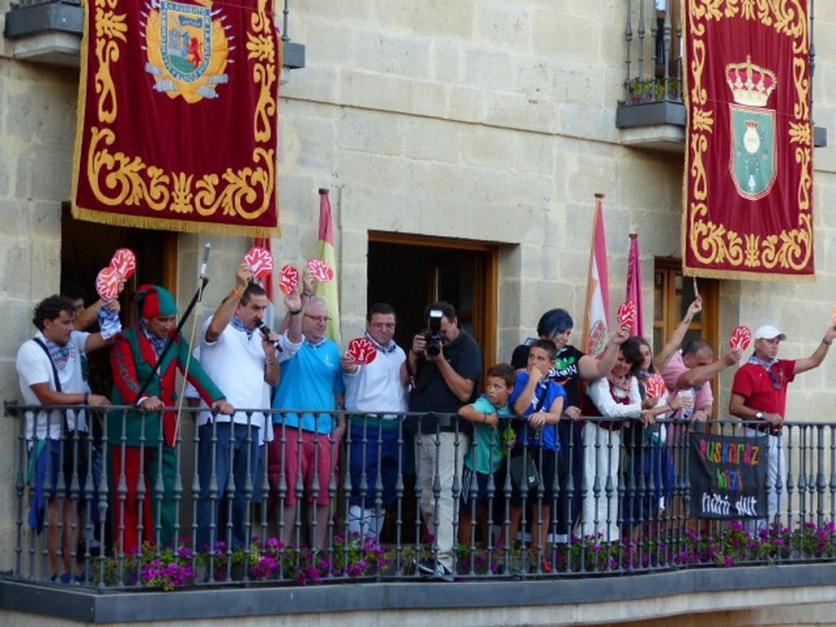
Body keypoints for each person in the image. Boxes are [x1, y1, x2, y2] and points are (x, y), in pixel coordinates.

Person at [109, 284, 233, 555]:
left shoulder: (175, 340)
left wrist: (216, 398)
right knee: (129, 492)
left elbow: (193, 369)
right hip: (132, 428)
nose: (169, 325)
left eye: (171, 319)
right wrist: (141, 398)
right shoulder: (125, 340)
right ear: (146, 319)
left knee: (165, 492)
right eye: (162, 320)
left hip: (165, 428)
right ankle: (129, 553)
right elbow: (124, 375)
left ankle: (161, 552)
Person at [195, 264, 302, 550]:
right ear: (239, 306)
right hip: (219, 422)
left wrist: (270, 355)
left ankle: (236, 553)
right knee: (213, 491)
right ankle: (206, 553)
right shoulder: (218, 325)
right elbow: (214, 330)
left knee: (243, 493)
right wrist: (239, 287)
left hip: (253, 424)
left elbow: (273, 379)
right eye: (255, 308)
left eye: (264, 308)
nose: (261, 314)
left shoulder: (260, 337)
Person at [16, 295, 119, 582]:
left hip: (75, 434)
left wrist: (111, 311)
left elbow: (108, 338)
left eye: (72, 322)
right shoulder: (31, 351)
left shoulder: (73, 342)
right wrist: (87, 398)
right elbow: (46, 396)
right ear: (47, 323)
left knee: (73, 501)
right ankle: (57, 568)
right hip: (47, 436)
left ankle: (72, 565)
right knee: (55, 503)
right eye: (65, 322)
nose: (71, 327)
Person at [511, 308, 629, 540]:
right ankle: (519, 544)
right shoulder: (527, 351)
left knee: (559, 486)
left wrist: (615, 344)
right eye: (563, 331)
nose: (566, 337)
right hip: (532, 430)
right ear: (550, 328)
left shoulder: (572, 354)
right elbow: (525, 384)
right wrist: (558, 407)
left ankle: (555, 542)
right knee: (525, 490)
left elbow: (599, 369)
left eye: (568, 332)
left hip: (565, 432)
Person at [729, 323, 836, 526]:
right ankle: (752, 535)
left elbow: (814, 361)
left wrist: (827, 339)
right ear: (757, 343)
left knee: (777, 490)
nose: (775, 345)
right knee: (756, 488)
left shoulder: (780, 367)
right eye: (770, 341)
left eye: (777, 342)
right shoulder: (746, 371)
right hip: (754, 435)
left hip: (773, 437)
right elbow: (734, 407)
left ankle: (762, 533)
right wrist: (762, 415)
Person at [409, 301, 482, 581]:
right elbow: (408, 378)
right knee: (426, 496)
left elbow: (464, 392)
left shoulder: (467, 346)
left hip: (450, 431)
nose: (439, 334)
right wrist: (414, 354)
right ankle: (436, 552)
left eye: (442, 328)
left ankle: (445, 561)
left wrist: (439, 360)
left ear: (453, 321)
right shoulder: (426, 341)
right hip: (423, 428)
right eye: (433, 328)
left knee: (445, 495)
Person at [581, 338, 681, 541]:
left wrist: (643, 410)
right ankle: (588, 539)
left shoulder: (631, 381)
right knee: (592, 484)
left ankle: (607, 539)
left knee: (610, 485)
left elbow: (636, 406)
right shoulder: (600, 380)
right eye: (619, 359)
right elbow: (609, 410)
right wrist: (642, 408)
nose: (622, 365)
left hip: (614, 437)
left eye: (627, 362)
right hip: (594, 435)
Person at [270, 296, 345, 549]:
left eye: (325, 319)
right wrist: (296, 309)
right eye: (315, 318)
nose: (322, 323)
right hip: (290, 426)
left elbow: (338, 392)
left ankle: (317, 554)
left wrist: (341, 425)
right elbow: (288, 336)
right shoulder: (291, 344)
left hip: (324, 431)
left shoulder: (333, 350)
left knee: (323, 495)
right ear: (303, 319)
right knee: (288, 492)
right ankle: (281, 554)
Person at [341, 302, 408, 539]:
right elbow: (350, 367)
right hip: (365, 426)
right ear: (369, 324)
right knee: (363, 490)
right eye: (379, 324)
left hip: (395, 428)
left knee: (386, 492)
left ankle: (373, 548)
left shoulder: (400, 353)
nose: (385, 329)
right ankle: (357, 550)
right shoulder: (358, 348)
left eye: (390, 325)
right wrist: (349, 366)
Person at [508, 341, 565, 572]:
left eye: (541, 359)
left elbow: (556, 415)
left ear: (551, 364)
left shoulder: (556, 389)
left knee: (543, 507)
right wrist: (532, 381)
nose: (534, 362)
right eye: (532, 357)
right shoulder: (521, 379)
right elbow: (519, 408)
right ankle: (504, 555)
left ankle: (538, 557)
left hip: (547, 451)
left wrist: (545, 416)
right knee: (515, 506)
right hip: (523, 450)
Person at [457, 362, 515, 550]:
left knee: (486, 510)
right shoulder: (484, 404)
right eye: (489, 385)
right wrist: (487, 418)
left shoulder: (509, 409)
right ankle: (465, 553)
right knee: (468, 510)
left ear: (510, 389)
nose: (491, 390)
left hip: (495, 467)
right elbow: (464, 411)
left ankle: (486, 551)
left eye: (497, 386)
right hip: (475, 466)